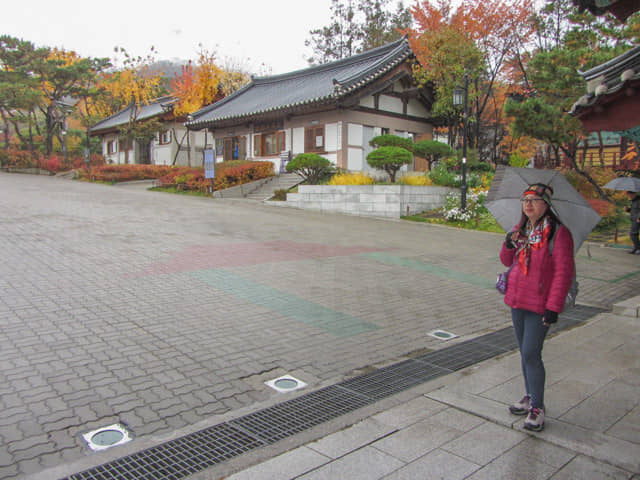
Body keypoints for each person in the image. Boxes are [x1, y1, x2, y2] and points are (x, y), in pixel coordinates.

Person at [499, 183, 575, 431]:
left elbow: (563, 273)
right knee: (524, 352)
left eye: (534, 199)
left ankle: (538, 407)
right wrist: (508, 244)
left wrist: (553, 307)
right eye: (525, 200)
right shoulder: (520, 230)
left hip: (540, 305)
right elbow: (506, 260)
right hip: (518, 300)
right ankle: (529, 395)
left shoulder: (558, 233)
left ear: (546, 205)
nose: (528, 204)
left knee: (532, 353)